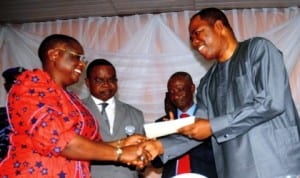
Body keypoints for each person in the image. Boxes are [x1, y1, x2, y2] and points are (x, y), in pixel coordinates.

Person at [140, 7, 300, 178]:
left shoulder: (258, 50)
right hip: (234, 170)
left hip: (275, 164)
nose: (194, 42)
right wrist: (161, 147)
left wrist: (212, 126)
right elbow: (198, 128)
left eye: (198, 33)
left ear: (218, 26)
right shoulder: (207, 83)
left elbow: (272, 102)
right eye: (191, 38)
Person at [0, 34, 150, 177]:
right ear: (54, 55)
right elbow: (61, 142)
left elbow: (88, 146)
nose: (82, 64)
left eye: (83, 59)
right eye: (77, 57)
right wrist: (120, 153)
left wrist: (121, 143)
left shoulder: (72, 99)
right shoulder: (31, 86)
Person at [82, 58, 145, 178]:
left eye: (111, 80)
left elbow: (142, 159)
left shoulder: (135, 114)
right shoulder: (77, 111)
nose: (106, 84)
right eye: (99, 80)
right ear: (87, 83)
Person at [158, 72, 217, 178]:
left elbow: (219, 153)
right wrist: (169, 134)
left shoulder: (209, 118)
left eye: (180, 90)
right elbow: (156, 163)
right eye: (171, 92)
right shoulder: (162, 123)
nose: (176, 95)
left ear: (192, 88)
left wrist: (180, 137)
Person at [0, 67, 27, 161]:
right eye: (15, 82)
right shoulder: (1, 115)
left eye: (24, 82)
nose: (20, 86)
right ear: (6, 86)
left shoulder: (40, 115)